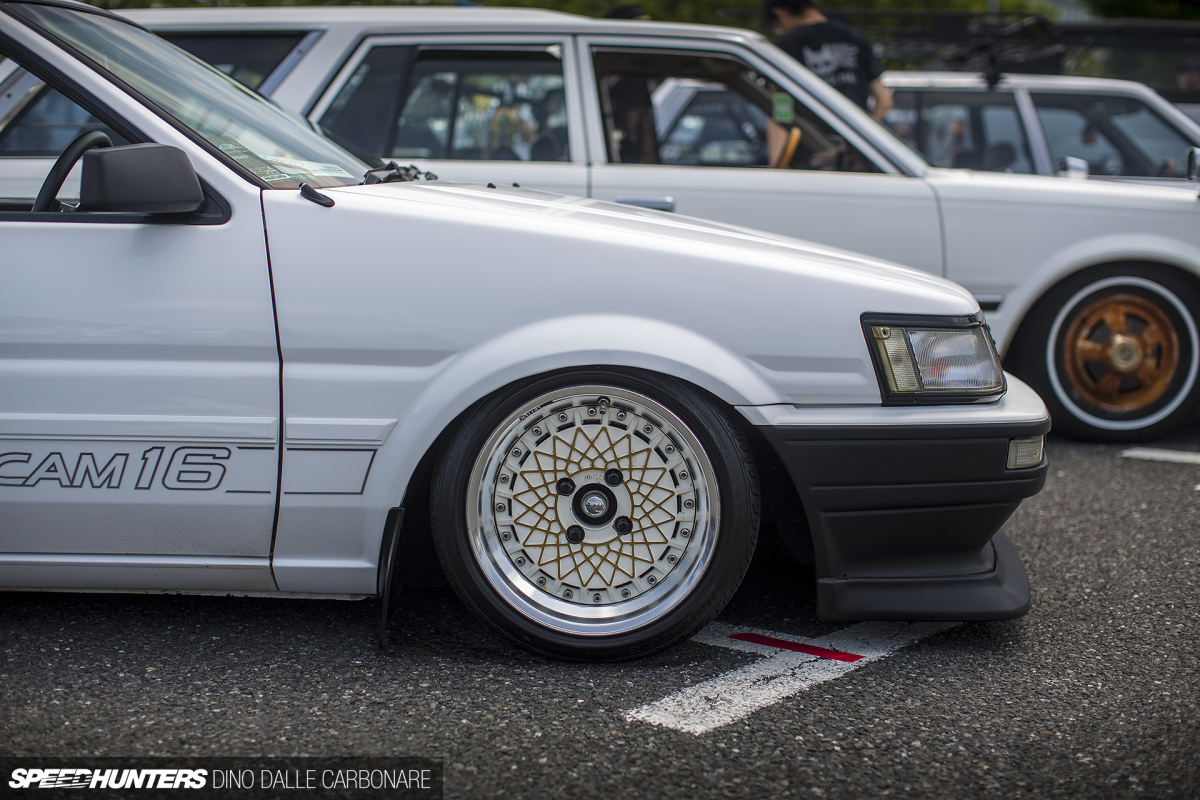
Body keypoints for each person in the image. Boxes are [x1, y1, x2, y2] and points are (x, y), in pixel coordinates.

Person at [763, 0, 892, 123]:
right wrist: (864, 136)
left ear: (780, 13)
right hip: (853, 135)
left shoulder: (787, 46)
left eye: (777, 27)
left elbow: (780, 109)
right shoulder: (854, 38)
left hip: (811, 141)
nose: (781, 31)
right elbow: (884, 100)